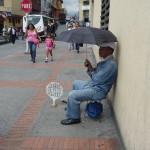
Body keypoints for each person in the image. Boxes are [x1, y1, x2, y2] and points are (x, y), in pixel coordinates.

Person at [61, 42, 118, 125]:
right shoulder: (105, 61)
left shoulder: (110, 65)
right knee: (76, 83)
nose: (99, 49)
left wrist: (91, 70)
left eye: (102, 48)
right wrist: (90, 66)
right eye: (100, 47)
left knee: (72, 95)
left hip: (98, 91)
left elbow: (97, 79)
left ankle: (74, 118)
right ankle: (73, 107)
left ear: (109, 50)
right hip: (93, 85)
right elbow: (95, 74)